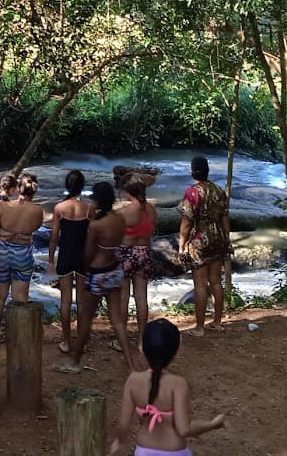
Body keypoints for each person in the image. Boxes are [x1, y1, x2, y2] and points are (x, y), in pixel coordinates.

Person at [53, 181, 136, 373]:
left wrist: (83, 268)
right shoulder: (119, 219)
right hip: (115, 271)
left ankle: (74, 361)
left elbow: (88, 254)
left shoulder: (97, 225)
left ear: (98, 201)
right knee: (117, 321)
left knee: (86, 318)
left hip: (98, 273)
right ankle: (131, 365)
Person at [110, 319, 226, 455]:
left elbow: (123, 425)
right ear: (176, 352)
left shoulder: (133, 380)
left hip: (143, 450)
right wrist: (212, 424)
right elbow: (184, 429)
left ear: (142, 349)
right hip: (174, 451)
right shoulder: (178, 384)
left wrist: (118, 441)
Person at [0, 172, 42, 345]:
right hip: (22, 253)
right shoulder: (37, 211)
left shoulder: (2, 207)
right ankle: (17, 337)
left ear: (18, 189)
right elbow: (34, 228)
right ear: (34, 192)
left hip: (1, 252)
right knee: (20, 298)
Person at [177, 156, 232, 336]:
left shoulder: (192, 193)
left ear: (193, 171)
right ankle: (217, 322)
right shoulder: (218, 190)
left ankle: (200, 327)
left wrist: (181, 245)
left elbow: (187, 222)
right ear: (207, 170)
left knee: (200, 285)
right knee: (216, 281)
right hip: (217, 238)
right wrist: (226, 238)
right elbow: (225, 217)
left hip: (199, 239)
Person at [47, 169, 94, 354]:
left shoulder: (59, 208)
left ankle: (66, 342)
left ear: (67, 185)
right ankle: (82, 341)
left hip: (65, 256)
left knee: (65, 301)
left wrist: (51, 261)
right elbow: (92, 235)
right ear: (82, 187)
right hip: (83, 257)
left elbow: (53, 237)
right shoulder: (89, 208)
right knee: (82, 302)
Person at [114, 174, 157, 352]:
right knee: (141, 297)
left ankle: (121, 340)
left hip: (125, 253)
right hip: (144, 252)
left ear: (127, 191)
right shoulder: (151, 210)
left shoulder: (124, 212)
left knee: (123, 297)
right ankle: (141, 340)